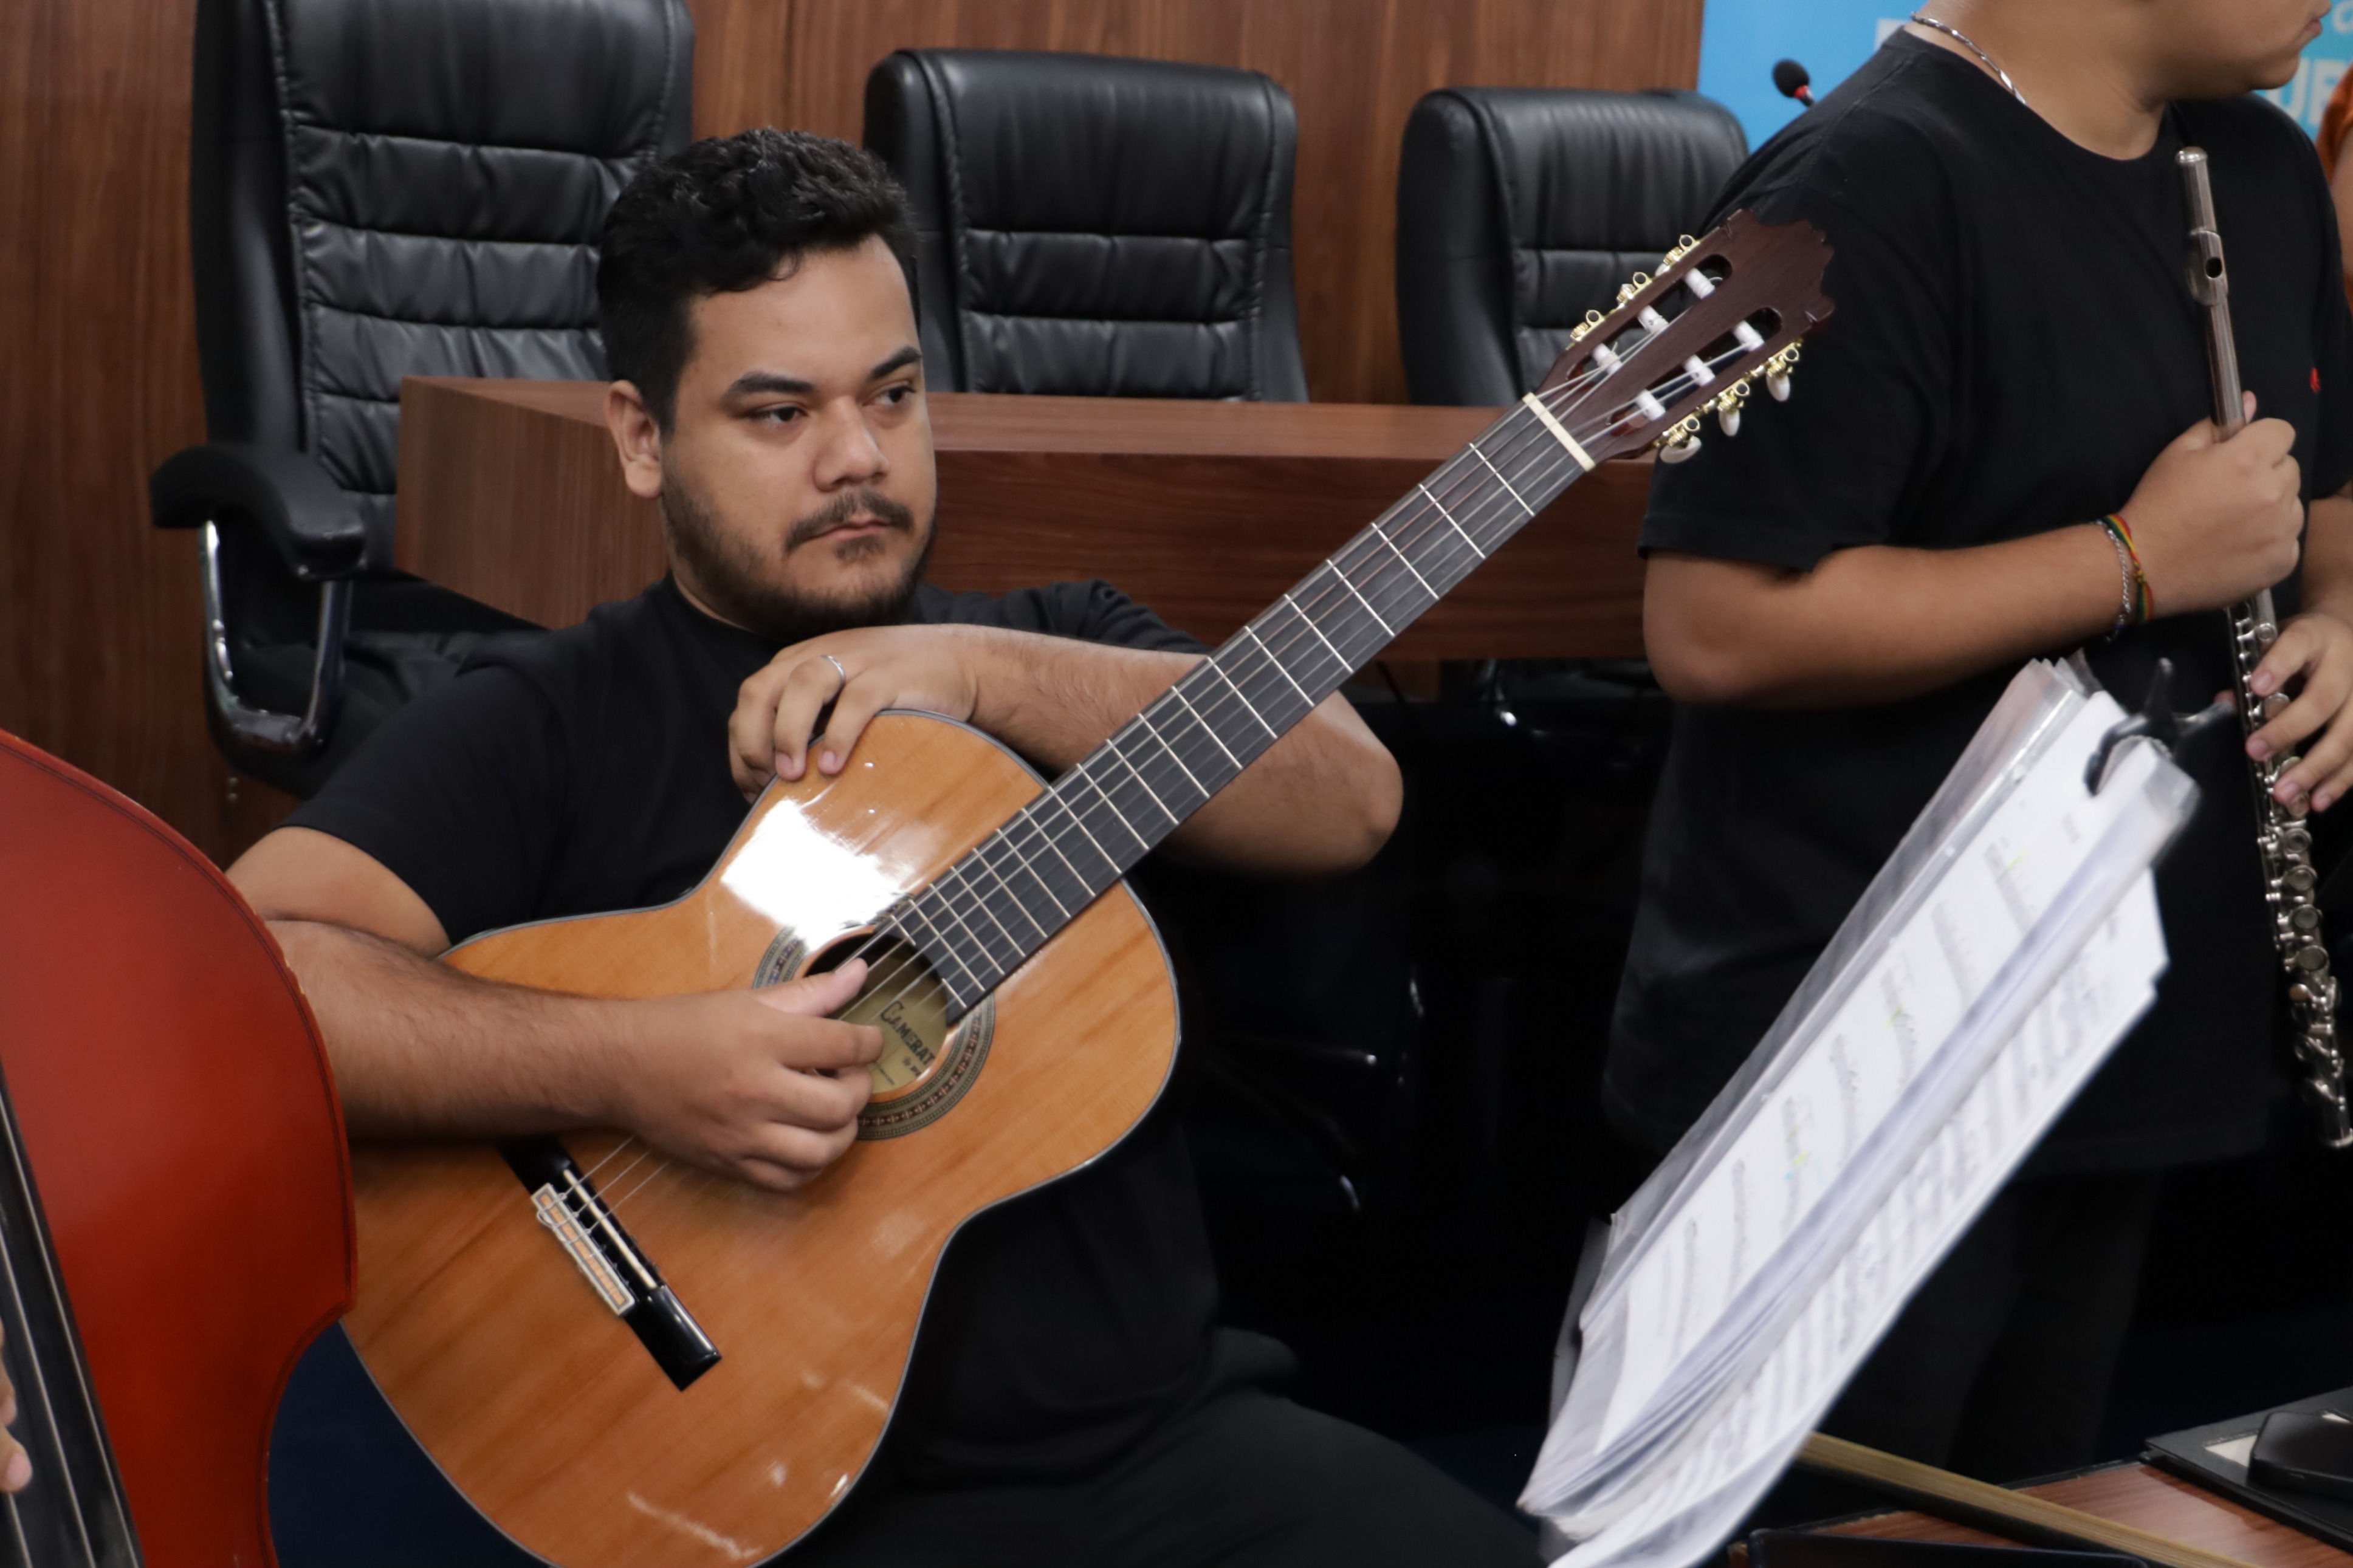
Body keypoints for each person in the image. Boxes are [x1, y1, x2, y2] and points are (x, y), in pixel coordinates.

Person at [226, 129, 1540, 1565]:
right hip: (773, 1494)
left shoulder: (1054, 648)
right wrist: (634, 1064)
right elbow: (253, 985)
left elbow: (1349, 796)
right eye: (779, 412)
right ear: (642, 438)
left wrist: (976, 673)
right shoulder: (556, 717)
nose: (857, 457)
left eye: (893, 396)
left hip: (1162, 1453)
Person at [1611, 0, 2353, 1482]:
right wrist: (2134, 560)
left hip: (2108, 1032)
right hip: (1855, 1063)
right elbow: (1711, 624)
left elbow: (2315, 499)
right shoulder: (1840, 181)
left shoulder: (2261, 170)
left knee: (2015, 1501)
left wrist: (2341, 618)